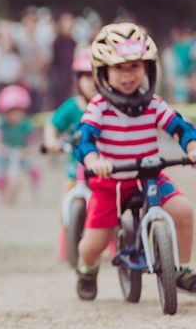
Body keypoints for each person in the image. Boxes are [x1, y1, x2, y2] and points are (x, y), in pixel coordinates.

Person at [73, 22, 196, 300]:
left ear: (148, 68)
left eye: (135, 66)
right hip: (111, 181)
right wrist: (93, 159)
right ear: (103, 72)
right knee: (93, 245)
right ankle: (86, 270)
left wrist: (192, 146)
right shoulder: (99, 108)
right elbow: (84, 138)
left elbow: (180, 127)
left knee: (184, 211)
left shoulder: (153, 104)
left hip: (149, 177)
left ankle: (181, 269)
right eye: (119, 68)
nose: (128, 75)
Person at [42, 50, 98, 260]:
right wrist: (51, 141)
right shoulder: (73, 107)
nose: (91, 82)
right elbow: (53, 124)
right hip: (77, 174)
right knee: (65, 206)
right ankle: (65, 247)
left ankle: (114, 246)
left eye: (96, 76)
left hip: (105, 171)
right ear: (77, 80)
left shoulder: (107, 106)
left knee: (111, 210)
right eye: (86, 76)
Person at [0, 85, 40, 204]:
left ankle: (35, 188)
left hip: (21, 152)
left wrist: (28, 150)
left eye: (19, 111)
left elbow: (32, 141)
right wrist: (0, 148)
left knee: (33, 167)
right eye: (12, 112)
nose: (16, 115)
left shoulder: (26, 124)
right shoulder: (1, 124)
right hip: (5, 153)